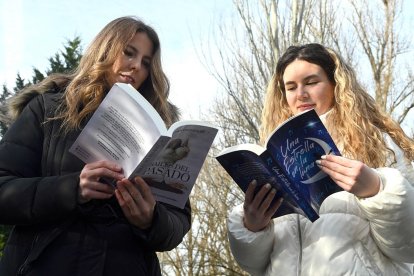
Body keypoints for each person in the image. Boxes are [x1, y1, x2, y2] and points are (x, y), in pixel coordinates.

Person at [0, 16, 191, 275]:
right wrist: (73, 188)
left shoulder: (160, 134)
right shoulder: (47, 110)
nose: (136, 66)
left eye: (146, 63)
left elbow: (177, 221)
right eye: (129, 53)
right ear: (105, 48)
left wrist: (151, 219)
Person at [227, 43, 414, 275]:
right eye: (291, 87)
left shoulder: (376, 144)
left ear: (336, 85)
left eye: (311, 82)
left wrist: (378, 189)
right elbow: (254, 265)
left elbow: (408, 248)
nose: (301, 94)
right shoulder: (274, 157)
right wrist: (252, 229)